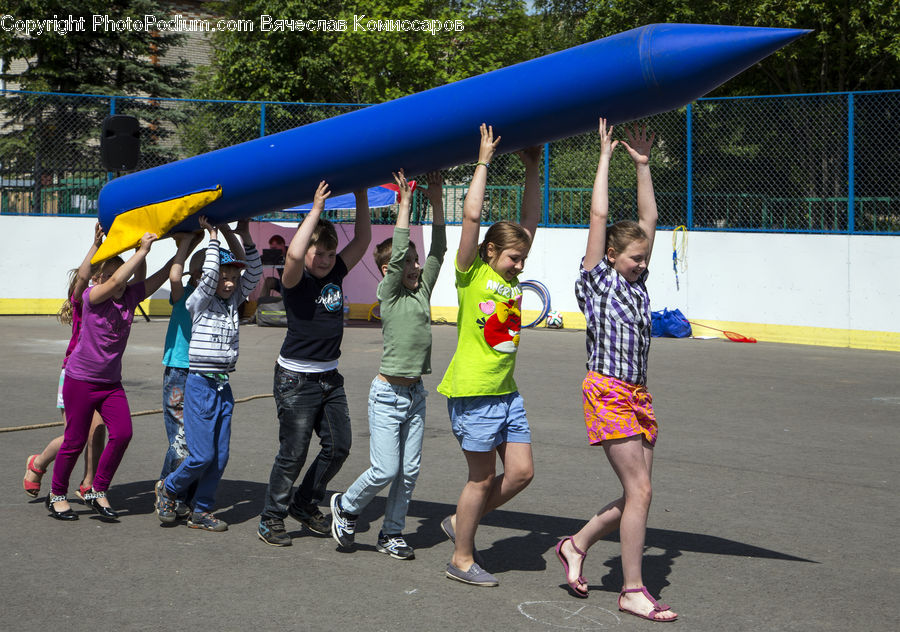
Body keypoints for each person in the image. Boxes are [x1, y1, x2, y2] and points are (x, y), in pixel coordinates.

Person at [555, 118, 677, 622]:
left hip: (638, 393)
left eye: (644, 258)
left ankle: (576, 543)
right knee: (641, 491)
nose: (641, 263)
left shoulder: (637, 284)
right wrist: (605, 156)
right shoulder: (598, 281)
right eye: (633, 258)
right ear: (610, 256)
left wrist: (643, 166)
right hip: (606, 391)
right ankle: (630, 588)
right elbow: (600, 214)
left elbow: (648, 219)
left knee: (636, 493)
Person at [437, 124, 541, 586]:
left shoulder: (512, 278)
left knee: (520, 473)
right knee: (480, 480)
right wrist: (483, 159)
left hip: (506, 391)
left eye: (523, 259)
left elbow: (530, 223)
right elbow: (472, 218)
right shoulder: (470, 274)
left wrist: (533, 169)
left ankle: (463, 519)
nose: (520, 266)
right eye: (513, 258)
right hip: (474, 390)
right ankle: (461, 558)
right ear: (491, 252)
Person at [330, 170, 446, 560]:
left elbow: (440, 250)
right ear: (389, 272)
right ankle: (346, 506)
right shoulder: (390, 293)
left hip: (414, 393)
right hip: (387, 395)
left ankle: (391, 533)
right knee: (384, 470)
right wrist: (406, 205)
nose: (414, 265)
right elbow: (397, 255)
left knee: (408, 471)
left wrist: (436, 196)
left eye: (415, 260)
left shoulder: (423, 288)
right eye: (407, 262)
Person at [257, 182, 371, 546]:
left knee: (339, 446)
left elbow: (364, 240)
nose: (324, 260)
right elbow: (291, 257)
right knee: (293, 452)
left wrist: (361, 193)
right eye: (318, 252)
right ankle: (271, 517)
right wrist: (316, 210)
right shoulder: (296, 279)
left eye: (329, 253)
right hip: (296, 379)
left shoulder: (336, 270)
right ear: (306, 250)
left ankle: (304, 504)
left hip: (329, 377)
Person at [47, 232, 174, 521]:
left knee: (123, 433)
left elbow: (161, 274)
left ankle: (97, 489)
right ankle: (56, 494)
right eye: (111, 276)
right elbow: (113, 280)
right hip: (80, 380)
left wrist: (186, 245)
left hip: (110, 383)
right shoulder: (92, 298)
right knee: (74, 441)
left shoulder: (129, 296)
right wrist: (141, 250)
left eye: (121, 275)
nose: (120, 280)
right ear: (98, 280)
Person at [155, 218, 262, 531]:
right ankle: (170, 488)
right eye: (223, 277)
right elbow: (209, 276)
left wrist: (237, 235)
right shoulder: (199, 302)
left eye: (232, 277)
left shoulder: (232, 303)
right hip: (199, 385)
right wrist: (213, 238)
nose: (228, 283)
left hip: (222, 386)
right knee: (200, 455)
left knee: (219, 456)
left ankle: (201, 510)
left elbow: (253, 274)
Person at [23, 223, 107, 500]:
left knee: (98, 428)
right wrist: (95, 246)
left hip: (100, 378)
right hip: (74, 376)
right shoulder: (85, 303)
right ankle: (38, 463)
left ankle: (88, 483)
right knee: (76, 436)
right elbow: (84, 280)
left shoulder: (109, 304)